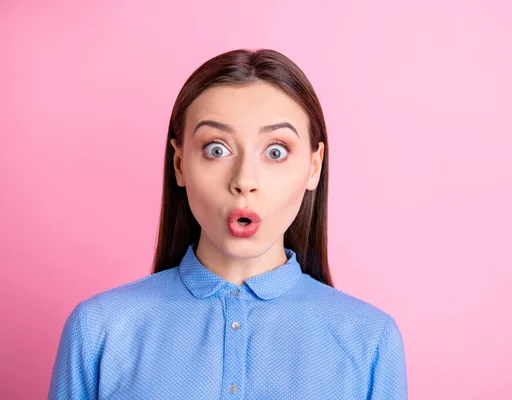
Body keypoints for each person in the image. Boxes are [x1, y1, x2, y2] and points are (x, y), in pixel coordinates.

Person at [48, 49, 408, 399]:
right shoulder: (99, 329)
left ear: (314, 166)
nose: (244, 180)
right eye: (216, 149)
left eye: (276, 151)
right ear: (179, 163)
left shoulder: (369, 340)